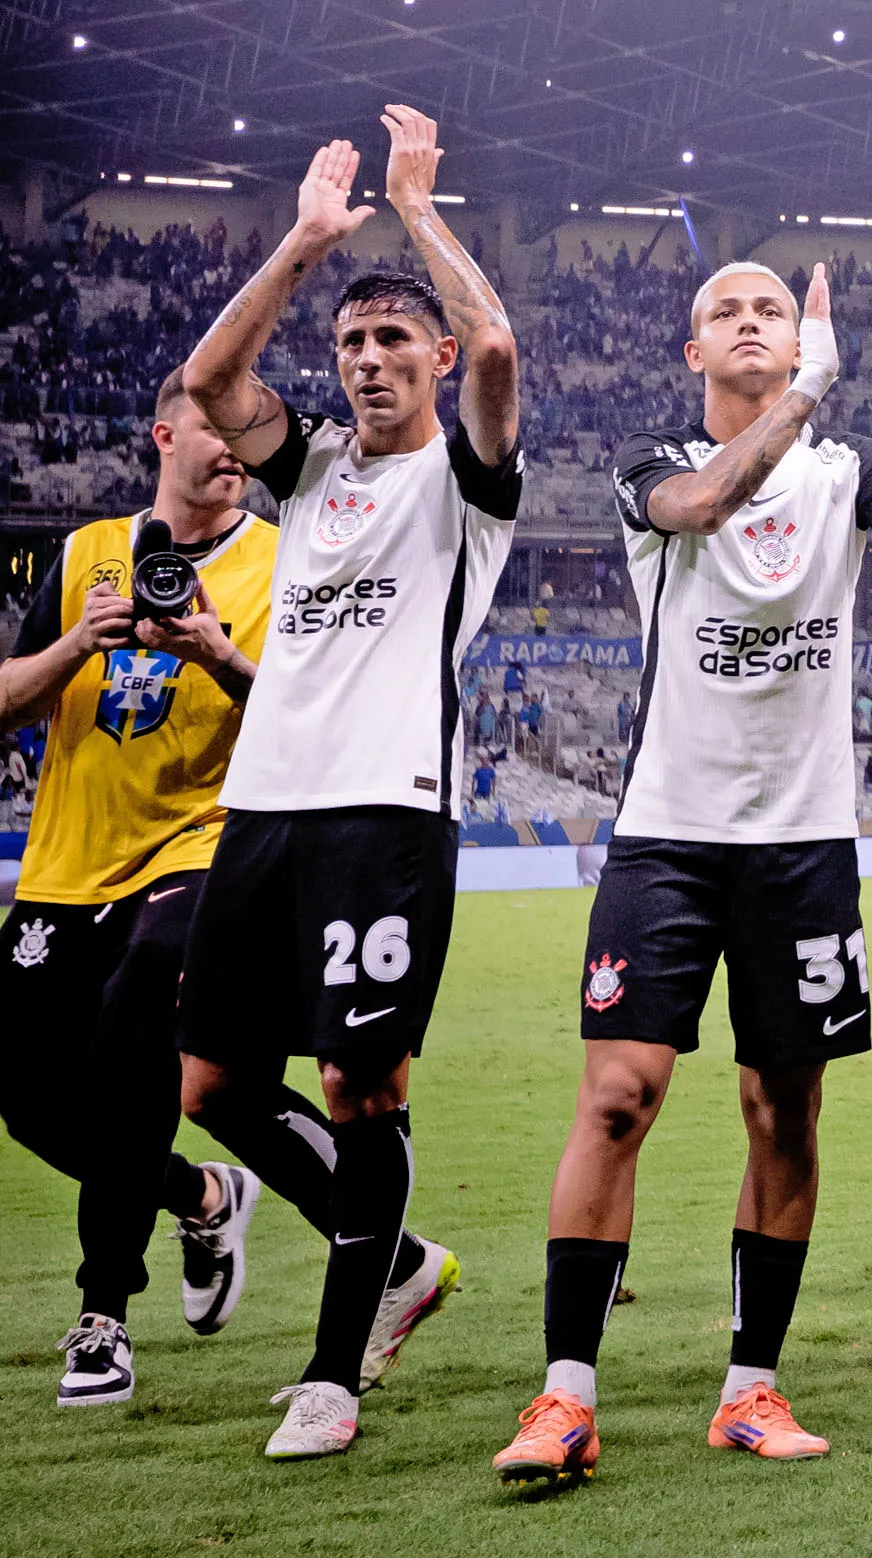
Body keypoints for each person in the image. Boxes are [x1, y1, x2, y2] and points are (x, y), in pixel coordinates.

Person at [492, 251, 872, 1485]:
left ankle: (750, 1385)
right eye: (726, 313)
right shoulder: (651, 463)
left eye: (769, 308)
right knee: (617, 1097)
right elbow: (703, 505)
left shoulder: (842, 473)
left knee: (784, 1112)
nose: (751, 324)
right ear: (692, 350)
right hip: (669, 833)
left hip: (803, 843)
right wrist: (806, 386)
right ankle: (564, 1396)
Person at [169, 111, 506, 1461]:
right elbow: (207, 382)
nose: (370, 361)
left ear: (425, 360)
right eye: (353, 344)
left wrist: (419, 215)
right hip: (268, 808)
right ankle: (402, 1258)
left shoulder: (469, 478)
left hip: (387, 809)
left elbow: (496, 346)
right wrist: (309, 240)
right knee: (209, 1084)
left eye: (391, 343)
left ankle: (332, 1368)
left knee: (363, 1089)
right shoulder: (308, 470)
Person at [0, 371, 317, 1408]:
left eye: (247, 429)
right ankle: (201, 1192)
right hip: (64, 861)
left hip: (198, 843)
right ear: (163, 432)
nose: (235, 445)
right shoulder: (85, 551)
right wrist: (74, 644)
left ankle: (103, 1314)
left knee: (142, 1004)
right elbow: (5, 701)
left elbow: (307, 725)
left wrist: (218, 653)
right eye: (215, 427)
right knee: (28, 1097)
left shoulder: (282, 560)